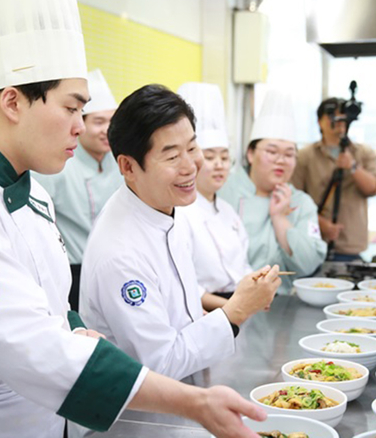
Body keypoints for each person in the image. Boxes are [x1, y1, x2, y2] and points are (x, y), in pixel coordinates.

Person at [0, 2, 268, 437]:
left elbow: (52, 311)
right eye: (72, 109)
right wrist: (195, 402)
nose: (82, 128)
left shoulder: (33, 193)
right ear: (12, 101)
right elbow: (34, 349)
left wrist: (81, 331)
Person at [78, 84, 280, 383]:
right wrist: (235, 310)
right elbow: (160, 363)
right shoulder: (120, 253)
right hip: (143, 422)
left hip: (189, 390)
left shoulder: (167, 208)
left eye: (192, 148)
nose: (191, 166)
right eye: (172, 156)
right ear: (128, 166)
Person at [219, 89, 328, 294]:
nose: (281, 160)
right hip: (225, 303)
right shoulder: (223, 194)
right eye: (271, 151)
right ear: (251, 154)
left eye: (289, 154)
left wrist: (280, 219)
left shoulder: (302, 203)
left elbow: (309, 263)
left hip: (281, 305)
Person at [35, 69, 123, 311]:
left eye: (111, 122)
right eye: (98, 122)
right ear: (81, 124)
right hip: (73, 270)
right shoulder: (58, 165)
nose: (107, 129)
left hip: (114, 268)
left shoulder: (120, 164)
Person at [177, 82, 253, 308]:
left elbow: (243, 266)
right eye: (210, 157)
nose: (220, 165)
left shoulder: (229, 213)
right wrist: (231, 308)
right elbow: (185, 285)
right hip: (205, 308)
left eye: (225, 157)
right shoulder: (180, 214)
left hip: (236, 305)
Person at [291, 97, 376, 261]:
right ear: (320, 121)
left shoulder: (363, 153)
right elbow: (293, 198)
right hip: (313, 242)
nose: (339, 121)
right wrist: (320, 223)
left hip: (351, 245)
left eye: (343, 116)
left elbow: (374, 188)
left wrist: (353, 167)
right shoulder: (305, 156)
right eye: (332, 116)